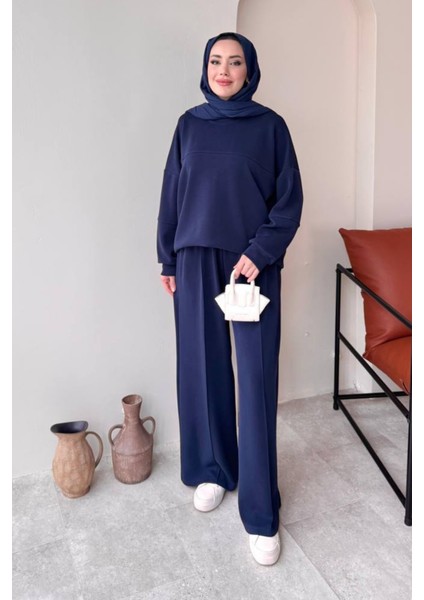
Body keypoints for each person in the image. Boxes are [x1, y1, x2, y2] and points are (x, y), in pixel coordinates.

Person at [156, 31, 303, 566]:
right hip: (195, 258)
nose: (223, 70)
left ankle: (262, 514)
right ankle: (214, 469)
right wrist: (168, 258)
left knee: (256, 381)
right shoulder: (189, 125)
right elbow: (172, 193)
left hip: (250, 265)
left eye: (234, 61)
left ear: (249, 69)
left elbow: (289, 202)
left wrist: (260, 253)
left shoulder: (271, 127)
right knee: (202, 369)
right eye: (216, 61)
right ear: (206, 68)